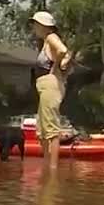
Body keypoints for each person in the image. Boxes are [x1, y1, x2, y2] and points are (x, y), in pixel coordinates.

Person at [29, 11, 75, 171]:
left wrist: (55, 67)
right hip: (45, 86)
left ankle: (53, 169)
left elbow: (63, 50)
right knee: (42, 130)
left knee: (51, 130)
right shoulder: (45, 42)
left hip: (50, 84)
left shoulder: (51, 37)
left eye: (36, 24)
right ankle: (47, 166)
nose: (34, 27)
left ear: (44, 26)